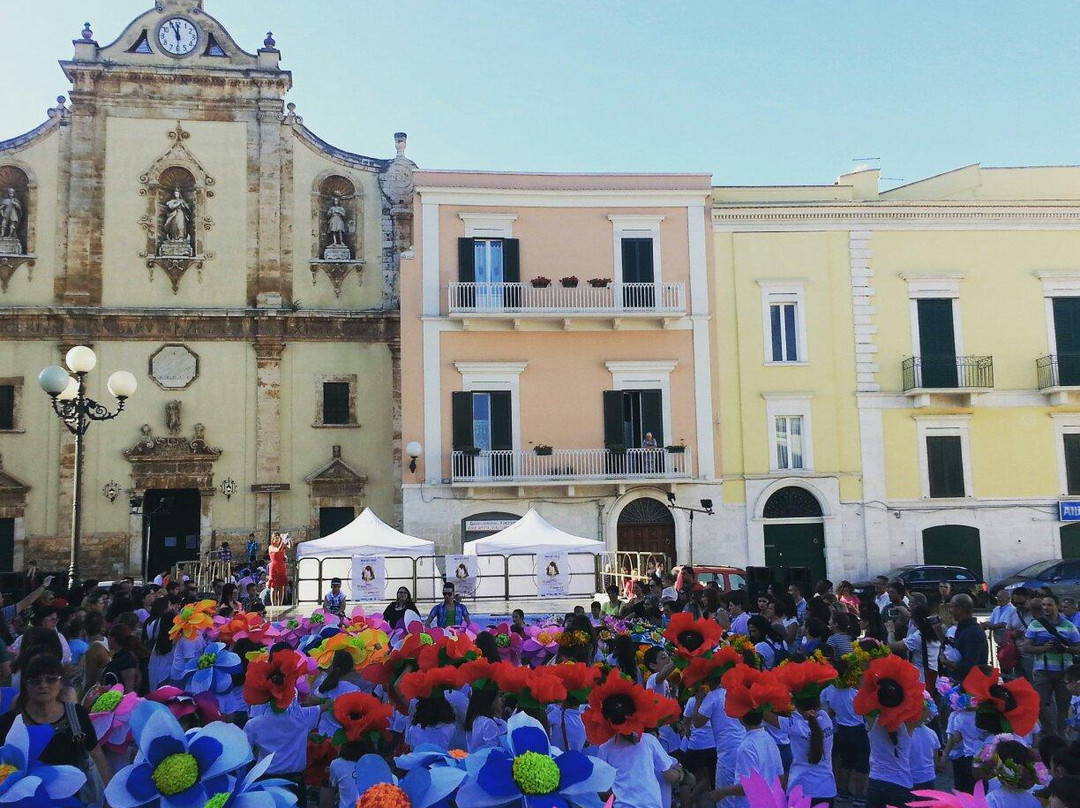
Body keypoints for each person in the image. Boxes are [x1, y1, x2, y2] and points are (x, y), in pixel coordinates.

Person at [0, 654, 112, 781]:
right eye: (36, 680)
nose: (43, 685)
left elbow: (97, 755)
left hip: (73, 797)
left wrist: (109, 796)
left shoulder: (76, 715)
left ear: (61, 683)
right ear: (26, 685)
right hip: (23, 798)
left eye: (51, 679)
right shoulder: (9, 722)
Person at [1023, 593, 1080, 735]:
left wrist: (1066, 648)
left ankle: (1062, 734)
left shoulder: (1069, 626)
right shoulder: (1035, 625)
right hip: (1042, 671)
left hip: (1064, 672)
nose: (1046, 608)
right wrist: (1042, 648)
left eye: (1049, 604)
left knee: (1064, 706)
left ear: (1057, 606)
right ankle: (1049, 732)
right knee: (1039, 705)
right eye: (1043, 605)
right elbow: (1026, 647)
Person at [945, 593, 989, 685]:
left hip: (971, 685)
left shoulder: (972, 632)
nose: (950, 610)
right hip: (961, 680)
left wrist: (947, 663)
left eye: (951, 607)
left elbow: (970, 665)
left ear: (960, 609)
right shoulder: (962, 628)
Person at [268, 533, 288, 607]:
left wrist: (288, 539)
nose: (277, 538)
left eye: (278, 537)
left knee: (281, 587)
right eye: (275, 537)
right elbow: (278, 550)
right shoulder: (271, 547)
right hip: (274, 567)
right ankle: (274, 604)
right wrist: (283, 541)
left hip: (281, 567)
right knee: (274, 587)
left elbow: (289, 546)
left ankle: (280, 604)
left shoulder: (282, 546)